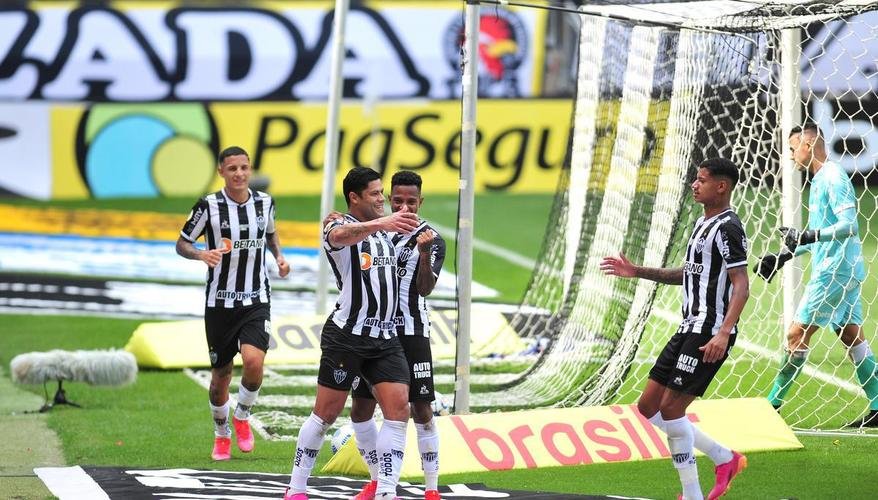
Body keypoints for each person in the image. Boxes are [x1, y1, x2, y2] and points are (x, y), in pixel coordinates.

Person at [600, 158, 750, 500]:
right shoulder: (702, 223)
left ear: (721, 186)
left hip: (708, 331)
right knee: (648, 407)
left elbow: (741, 285)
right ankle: (724, 458)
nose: (694, 185)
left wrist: (723, 332)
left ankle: (693, 493)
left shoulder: (729, 227)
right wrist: (637, 271)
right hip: (688, 327)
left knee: (671, 409)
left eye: (701, 180)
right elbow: (689, 273)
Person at [284, 167, 420, 500]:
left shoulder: (388, 230)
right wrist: (380, 223)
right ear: (354, 198)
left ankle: (386, 491)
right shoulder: (338, 224)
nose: (382, 199)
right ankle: (297, 487)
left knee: (398, 410)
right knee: (326, 413)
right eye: (375, 193)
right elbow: (336, 237)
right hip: (347, 335)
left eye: (380, 193)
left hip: (386, 338)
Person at [756, 123, 878, 428]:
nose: (792, 155)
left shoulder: (834, 177)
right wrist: (783, 256)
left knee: (796, 334)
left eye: (793, 148)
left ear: (808, 145)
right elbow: (816, 236)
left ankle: (771, 406)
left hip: (834, 272)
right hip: (843, 269)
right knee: (850, 335)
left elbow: (849, 225)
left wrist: (809, 235)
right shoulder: (820, 179)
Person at [176, 146, 290, 461]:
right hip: (219, 303)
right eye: (232, 169)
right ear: (221, 172)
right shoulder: (209, 206)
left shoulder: (265, 202)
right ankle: (221, 432)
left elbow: (270, 233)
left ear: (250, 169)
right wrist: (201, 254)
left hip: (256, 299)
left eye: (243, 167)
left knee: (254, 362)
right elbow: (183, 242)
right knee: (221, 376)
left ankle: (241, 415)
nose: (239, 174)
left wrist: (278, 256)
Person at [346, 171, 446, 500]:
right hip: (374, 332)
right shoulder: (377, 231)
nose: (404, 207)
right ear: (389, 198)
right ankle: (378, 482)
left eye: (411, 202)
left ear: (421, 202)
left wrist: (421, 254)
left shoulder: (431, 238)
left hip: (412, 332)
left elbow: (425, 288)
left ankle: (431, 489)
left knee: (421, 410)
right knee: (360, 410)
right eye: (398, 200)